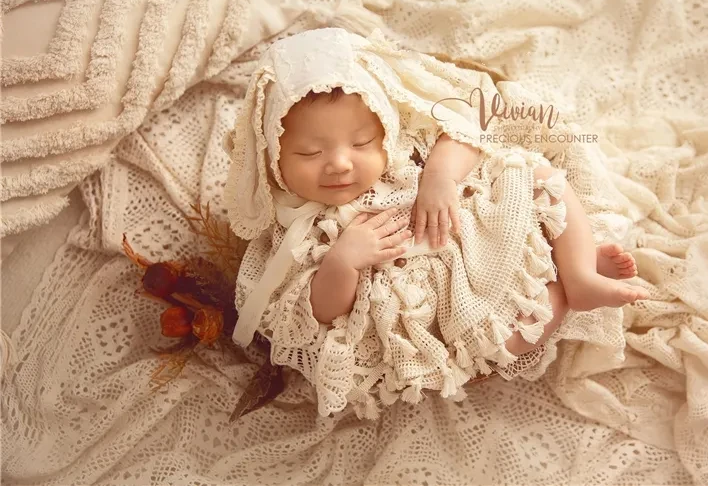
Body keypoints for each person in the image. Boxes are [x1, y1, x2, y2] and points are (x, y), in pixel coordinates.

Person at [223, 27, 650, 420]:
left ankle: (578, 273)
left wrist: (439, 176)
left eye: (361, 143)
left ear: (386, 129)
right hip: (442, 315)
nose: (338, 162)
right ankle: (563, 290)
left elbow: (464, 132)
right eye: (309, 153)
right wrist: (342, 262)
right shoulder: (297, 226)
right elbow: (315, 313)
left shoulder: (405, 149)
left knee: (541, 177)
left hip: (482, 242)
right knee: (508, 342)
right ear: (273, 159)